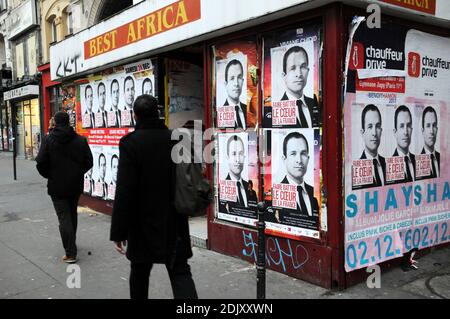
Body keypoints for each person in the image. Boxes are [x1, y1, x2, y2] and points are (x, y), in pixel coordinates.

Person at [110, 94, 197, 299]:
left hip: (142, 224)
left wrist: (118, 231)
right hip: (173, 220)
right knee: (180, 272)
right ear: (157, 114)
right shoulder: (176, 139)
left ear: (135, 116)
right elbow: (187, 178)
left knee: (139, 273)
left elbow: (125, 190)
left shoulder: (130, 143)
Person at [36, 111, 93, 263]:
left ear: (55, 122)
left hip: (56, 185)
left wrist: (49, 175)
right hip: (75, 184)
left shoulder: (48, 140)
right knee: (71, 213)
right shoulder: (80, 140)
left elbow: (40, 162)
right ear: (69, 122)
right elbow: (89, 162)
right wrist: (78, 173)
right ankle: (71, 243)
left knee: (64, 217)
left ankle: (70, 253)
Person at [280, 132, 319, 219]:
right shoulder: (276, 192)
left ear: (308, 159)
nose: (299, 160)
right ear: (284, 159)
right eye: (293, 154)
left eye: (303, 153)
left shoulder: (314, 195)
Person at [280, 45, 320, 128]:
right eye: (292, 68)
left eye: (303, 67)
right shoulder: (276, 108)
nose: (299, 74)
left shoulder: (313, 102)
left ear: (308, 71)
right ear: (284, 76)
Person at [355, 104, 386, 189]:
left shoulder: (387, 164)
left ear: (381, 131)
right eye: (370, 127)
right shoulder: (357, 169)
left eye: (378, 126)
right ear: (362, 132)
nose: (374, 133)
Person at [392, 105, 415, 183]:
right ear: (395, 132)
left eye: (408, 126)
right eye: (401, 126)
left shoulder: (417, 160)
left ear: (411, 130)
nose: (406, 132)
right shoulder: (388, 165)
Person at [225, 134, 249, 208]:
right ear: (227, 157)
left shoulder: (248, 187)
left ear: (244, 157)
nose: (238, 160)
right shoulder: (223, 186)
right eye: (234, 154)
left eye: (241, 154)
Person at [222, 59, 247, 129]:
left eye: (239, 77)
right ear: (225, 84)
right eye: (232, 78)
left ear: (242, 81)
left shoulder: (248, 110)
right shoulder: (220, 113)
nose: (236, 83)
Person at [420, 106, 440, 179]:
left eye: (434, 125)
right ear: (423, 131)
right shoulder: (416, 161)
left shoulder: (441, 158)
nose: (431, 131)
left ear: (437, 130)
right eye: (428, 126)